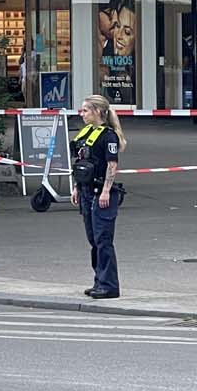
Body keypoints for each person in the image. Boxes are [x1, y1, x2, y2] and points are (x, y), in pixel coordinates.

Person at [70, 93, 126, 300]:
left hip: (101, 194)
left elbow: (112, 165)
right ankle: (99, 281)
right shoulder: (85, 133)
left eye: (85, 110)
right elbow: (80, 164)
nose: (81, 114)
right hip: (86, 191)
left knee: (103, 241)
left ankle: (109, 285)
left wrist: (105, 190)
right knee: (94, 240)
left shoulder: (108, 136)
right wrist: (76, 187)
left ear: (98, 112)